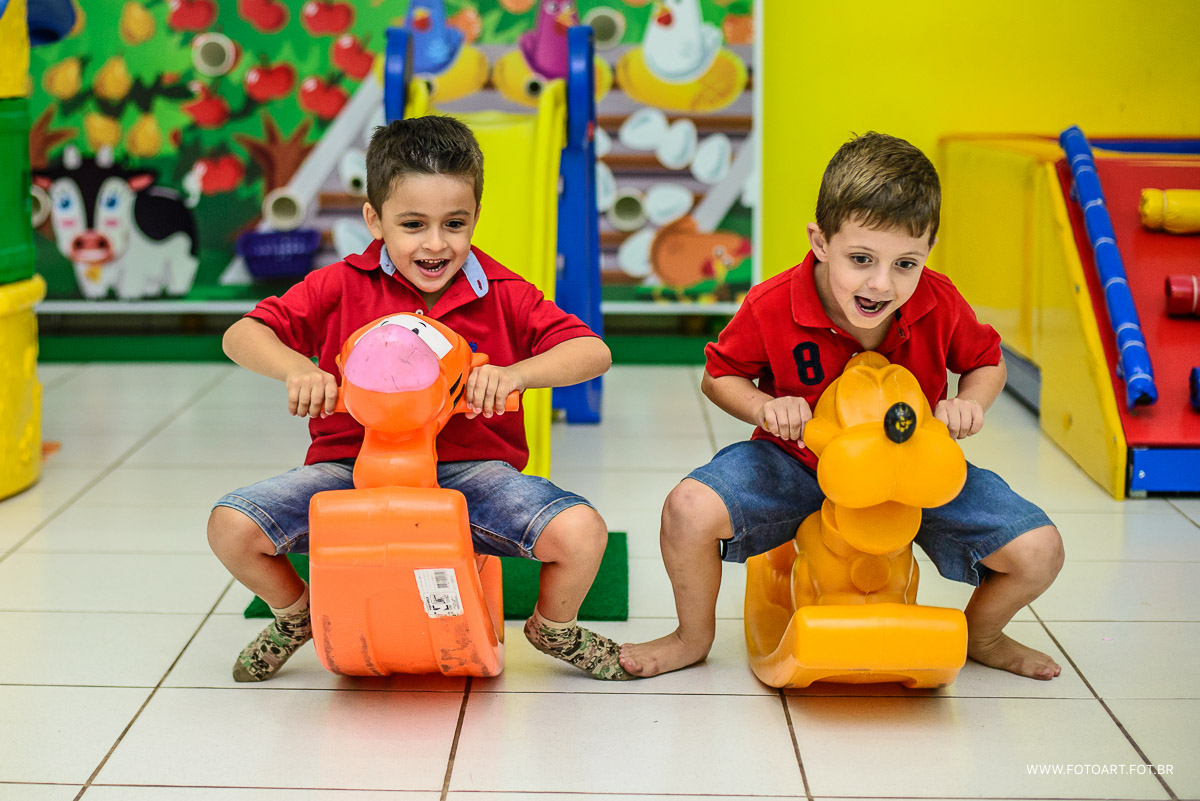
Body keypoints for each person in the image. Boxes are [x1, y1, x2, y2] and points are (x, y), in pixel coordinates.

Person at [619, 132, 1065, 681]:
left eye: (906, 263)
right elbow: (719, 376)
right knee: (687, 510)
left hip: (911, 474)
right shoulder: (773, 302)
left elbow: (987, 362)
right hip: (798, 464)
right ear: (820, 241)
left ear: (929, 250)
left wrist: (970, 403)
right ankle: (692, 637)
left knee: (1040, 550)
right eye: (861, 258)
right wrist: (764, 406)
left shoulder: (938, 300)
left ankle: (984, 634)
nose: (882, 283)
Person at [208, 115, 631, 682]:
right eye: (413, 224)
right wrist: (297, 370)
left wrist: (515, 374)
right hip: (349, 471)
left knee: (581, 532)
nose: (435, 244)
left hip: (470, 476)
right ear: (374, 219)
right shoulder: (341, 284)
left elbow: (591, 351)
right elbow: (242, 334)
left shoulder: (504, 293)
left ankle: (552, 626)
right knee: (231, 526)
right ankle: (295, 614)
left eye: (454, 224)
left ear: (475, 218)